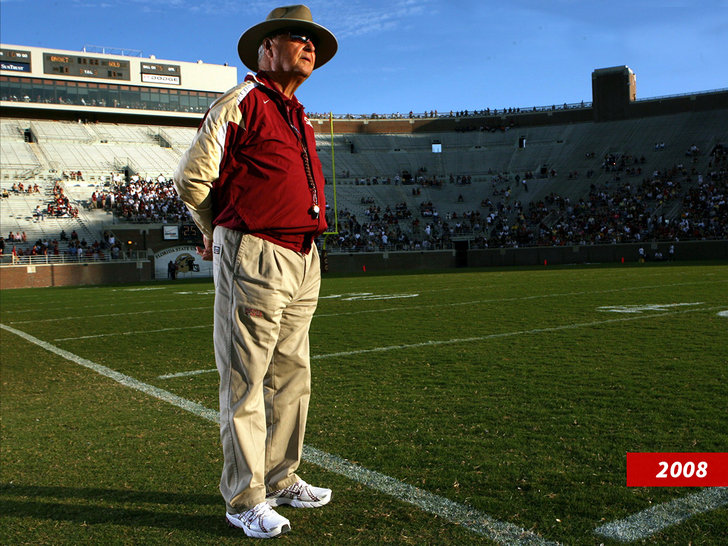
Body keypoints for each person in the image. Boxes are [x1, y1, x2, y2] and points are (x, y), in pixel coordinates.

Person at [174, 5, 337, 539]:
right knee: (246, 382)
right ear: (267, 48)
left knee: (292, 376)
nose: (309, 46)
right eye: (298, 37)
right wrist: (216, 231)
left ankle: (282, 476)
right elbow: (193, 179)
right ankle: (245, 498)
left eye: (313, 40)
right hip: (256, 252)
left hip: (303, 256)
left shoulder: (298, 114)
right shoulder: (242, 103)